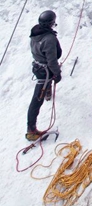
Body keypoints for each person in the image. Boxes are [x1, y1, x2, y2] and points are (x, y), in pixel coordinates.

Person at [26, 10, 62, 141]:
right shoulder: (49, 38)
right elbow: (51, 60)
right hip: (45, 72)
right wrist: (57, 73)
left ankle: (47, 92)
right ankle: (31, 130)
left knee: (41, 93)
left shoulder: (35, 32)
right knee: (36, 100)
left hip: (38, 66)